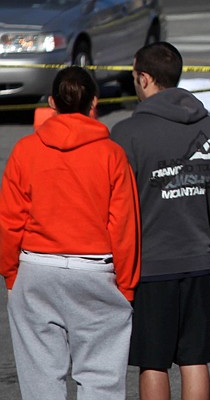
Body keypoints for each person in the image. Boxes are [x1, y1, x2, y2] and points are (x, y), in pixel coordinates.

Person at [0, 66, 141, 399]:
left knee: (41, 377)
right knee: (101, 378)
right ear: (94, 102)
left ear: (52, 103)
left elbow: (9, 220)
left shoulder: (26, 150)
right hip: (94, 271)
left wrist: (9, 273)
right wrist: (127, 286)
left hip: (37, 269)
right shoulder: (112, 155)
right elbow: (123, 226)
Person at [111, 42, 210, 399]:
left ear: (145, 78)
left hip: (150, 265)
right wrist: (198, 225)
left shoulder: (126, 135)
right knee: (195, 357)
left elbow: (115, 202)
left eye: (135, 77)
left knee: (153, 360)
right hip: (198, 259)